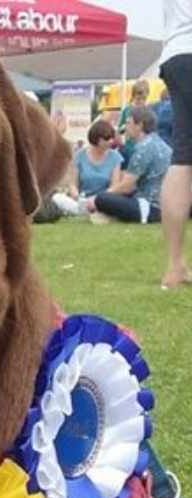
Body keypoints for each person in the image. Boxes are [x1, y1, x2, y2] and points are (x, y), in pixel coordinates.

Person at [90, 107, 172, 224]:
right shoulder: (161, 144)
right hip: (165, 205)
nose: (125, 126)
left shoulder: (144, 148)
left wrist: (98, 196)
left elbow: (127, 186)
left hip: (150, 207)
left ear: (139, 125)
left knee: (101, 199)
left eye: (128, 122)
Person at [159, 0, 192, 290]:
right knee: (184, 158)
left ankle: (176, 265)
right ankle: (175, 266)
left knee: (183, 157)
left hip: (175, 52)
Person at [52, 119, 122, 216]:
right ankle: (85, 211)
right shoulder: (80, 156)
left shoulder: (115, 157)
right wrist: (77, 197)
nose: (111, 141)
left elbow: (115, 186)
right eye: (107, 139)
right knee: (57, 197)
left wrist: (97, 199)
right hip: (83, 200)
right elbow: (72, 184)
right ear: (97, 139)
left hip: (103, 200)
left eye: (112, 138)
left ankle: (85, 212)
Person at [117, 80, 150, 169]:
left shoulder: (148, 110)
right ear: (133, 96)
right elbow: (119, 130)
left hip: (145, 148)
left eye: (144, 99)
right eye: (138, 98)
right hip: (129, 148)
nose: (141, 101)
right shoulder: (127, 110)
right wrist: (122, 143)